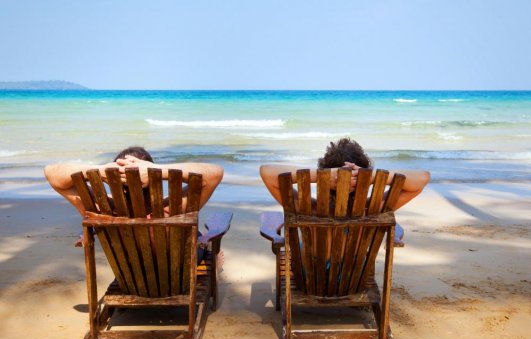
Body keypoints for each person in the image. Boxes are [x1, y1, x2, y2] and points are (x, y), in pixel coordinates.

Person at [260, 137, 430, 244]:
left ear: (325, 171)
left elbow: (267, 172)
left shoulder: (307, 209)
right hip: (356, 281)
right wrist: (372, 178)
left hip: (309, 278)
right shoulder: (374, 210)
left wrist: (319, 176)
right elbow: (422, 179)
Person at [44, 146, 224, 216]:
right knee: (200, 240)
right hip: (174, 273)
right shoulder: (171, 211)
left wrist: (98, 171)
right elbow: (214, 174)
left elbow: (51, 173)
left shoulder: (103, 210)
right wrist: (158, 171)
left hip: (129, 274)